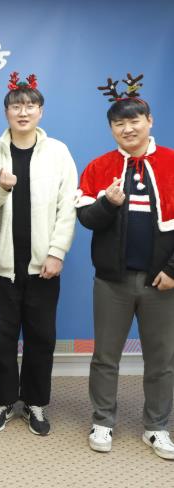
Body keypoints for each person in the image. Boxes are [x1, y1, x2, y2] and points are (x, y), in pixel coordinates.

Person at [0, 73, 77, 436]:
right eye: (17, 106)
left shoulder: (58, 152)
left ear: (41, 111)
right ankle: (2, 401)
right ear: (7, 112)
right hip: (3, 267)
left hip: (44, 266)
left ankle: (36, 403)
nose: (24, 111)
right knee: (1, 339)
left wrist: (57, 252)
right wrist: (0, 188)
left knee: (41, 339)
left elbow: (67, 208)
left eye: (31, 105)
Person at [78, 74, 174, 459]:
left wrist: (173, 269)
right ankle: (102, 421)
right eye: (119, 123)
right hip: (112, 281)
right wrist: (108, 203)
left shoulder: (171, 163)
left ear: (149, 121)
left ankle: (157, 427)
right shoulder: (99, 167)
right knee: (105, 357)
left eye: (134, 120)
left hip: (161, 281)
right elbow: (86, 218)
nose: (127, 128)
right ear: (111, 129)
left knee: (161, 360)